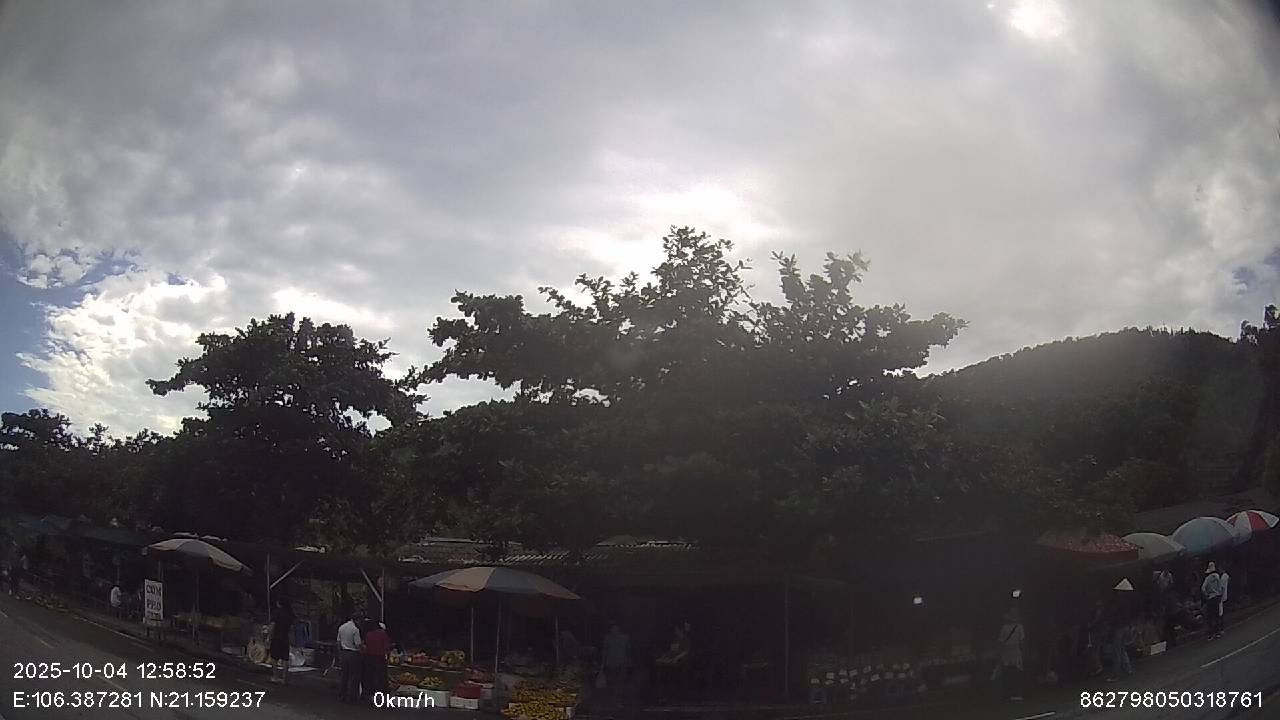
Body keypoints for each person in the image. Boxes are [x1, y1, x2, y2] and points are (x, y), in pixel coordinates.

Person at [996, 608, 1026, 701]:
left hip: (1007, 652)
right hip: (1015, 651)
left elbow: (1001, 642)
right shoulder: (1019, 627)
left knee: (1007, 674)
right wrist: (1023, 652)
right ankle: (1016, 693)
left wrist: (1000, 654)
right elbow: (1022, 641)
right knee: (1016, 674)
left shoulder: (1004, 628)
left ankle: (1007, 694)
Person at [361, 618, 392, 701]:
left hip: (369, 657)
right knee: (382, 676)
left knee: (370, 676)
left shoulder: (368, 634)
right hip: (380, 657)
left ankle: (370, 693)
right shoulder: (383, 634)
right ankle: (383, 694)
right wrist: (388, 657)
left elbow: (365, 645)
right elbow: (386, 647)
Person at [337, 610, 364, 702]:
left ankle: (342, 694)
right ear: (357, 620)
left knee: (344, 675)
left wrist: (340, 653)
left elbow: (338, 642)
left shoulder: (341, 627)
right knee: (354, 676)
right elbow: (357, 644)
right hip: (353, 654)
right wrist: (362, 649)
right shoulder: (355, 630)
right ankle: (352, 696)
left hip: (344, 653)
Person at [269, 597, 295, 685]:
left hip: (276, 637)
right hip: (285, 637)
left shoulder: (276, 613)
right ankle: (284, 678)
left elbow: (272, 626)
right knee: (285, 658)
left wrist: (269, 637)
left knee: (274, 658)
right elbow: (291, 629)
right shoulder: (289, 614)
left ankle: (275, 676)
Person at [602, 623, 632, 697]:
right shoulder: (607, 638)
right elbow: (605, 650)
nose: (614, 630)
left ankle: (619, 695)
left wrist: (629, 660)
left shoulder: (625, 637)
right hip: (611, 662)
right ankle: (613, 694)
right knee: (612, 679)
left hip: (622, 662)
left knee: (621, 680)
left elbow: (628, 649)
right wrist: (603, 662)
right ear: (610, 629)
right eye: (612, 628)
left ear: (619, 628)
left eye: (616, 628)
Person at [1202, 562, 1224, 639]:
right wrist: (1220, 594)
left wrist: (1206, 595)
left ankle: (1211, 634)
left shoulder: (1207, 579)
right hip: (1216, 597)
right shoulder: (1217, 576)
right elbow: (1221, 587)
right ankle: (1218, 632)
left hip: (1210, 598)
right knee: (1216, 615)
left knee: (1210, 616)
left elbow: (1203, 589)